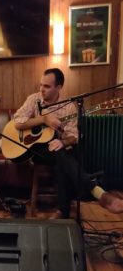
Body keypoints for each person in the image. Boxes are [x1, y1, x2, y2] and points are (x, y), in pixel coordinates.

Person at [12, 68, 123, 219]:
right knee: (62, 156)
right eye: (41, 85)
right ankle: (97, 192)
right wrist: (44, 119)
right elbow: (17, 122)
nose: (41, 89)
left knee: (61, 159)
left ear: (59, 87)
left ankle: (62, 212)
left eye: (47, 86)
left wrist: (63, 142)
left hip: (58, 150)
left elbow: (74, 137)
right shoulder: (34, 99)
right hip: (36, 150)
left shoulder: (69, 107)